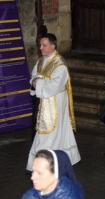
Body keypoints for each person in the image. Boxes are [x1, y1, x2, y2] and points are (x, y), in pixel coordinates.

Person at [27, 34, 81, 171]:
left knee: (52, 133)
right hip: (43, 102)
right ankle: (43, 163)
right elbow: (34, 76)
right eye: (40, 45)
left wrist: (38, 83)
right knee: (44, 133)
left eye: (44, 45)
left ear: (53, 46)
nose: (40, 48)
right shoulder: (41, 61)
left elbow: (56, 85)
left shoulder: (59, 64)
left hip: (55, 103)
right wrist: (35, 82)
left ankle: (48, 163)